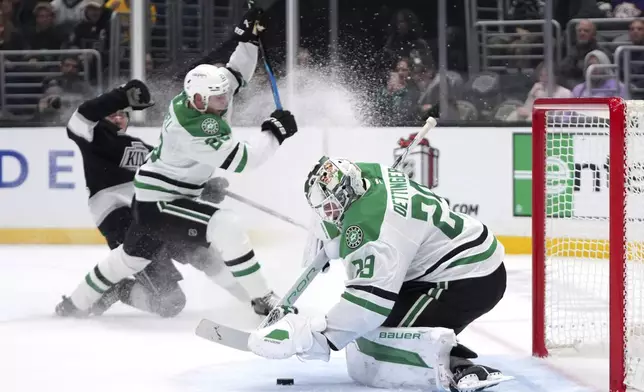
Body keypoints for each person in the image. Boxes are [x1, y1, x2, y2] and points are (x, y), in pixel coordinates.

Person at [55, 7, 298, 318]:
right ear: (197, 100)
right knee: (225, 226)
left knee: (128, 261)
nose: (225, 101)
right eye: (218, 98)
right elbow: (244, 160)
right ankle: (263, 300)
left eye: (224, 95)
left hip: (154, 199)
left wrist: (248, 39)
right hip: (156, 205)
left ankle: (74, 304)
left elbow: (235, 73)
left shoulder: (205, 94)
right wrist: (274, 132)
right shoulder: (193, 126)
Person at [248, 157, 511, 391]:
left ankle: (458, 367)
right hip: (451, 259)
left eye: (330, 209)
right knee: (369, 331)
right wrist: (328, 232)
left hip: (468, 278)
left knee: (379, 336)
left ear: (348, 194)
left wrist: (310, 337)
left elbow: (367, 306)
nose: (328, 215)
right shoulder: (369, 173)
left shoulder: (373, 231)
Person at [62, 80, 241, 318]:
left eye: (123, 115)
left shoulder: (142, 148)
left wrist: (204, 187)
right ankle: (119, 290)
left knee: (205, 256)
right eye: (112, 115)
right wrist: (121, 97)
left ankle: (253, 300)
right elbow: (82, 116)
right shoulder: (93, 138)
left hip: (159, 213)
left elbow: (172, 176)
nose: (118, 119)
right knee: (171, 303)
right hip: (122, 222)